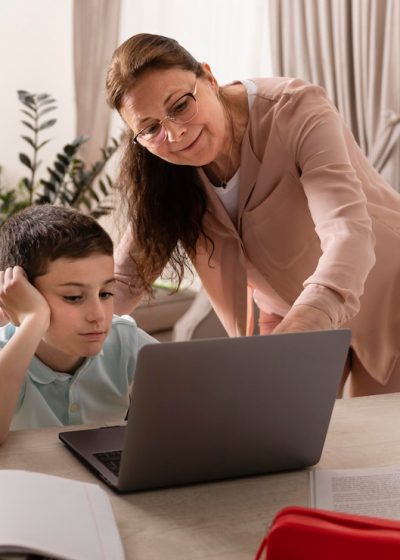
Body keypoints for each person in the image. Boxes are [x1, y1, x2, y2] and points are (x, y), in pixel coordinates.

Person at [105, 32, 400, 397]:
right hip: (290, 316)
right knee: (279, 442)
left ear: (209, 78)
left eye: (180, 105)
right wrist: (39, 330)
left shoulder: (295, 110)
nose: (176, 133)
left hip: (385, 300)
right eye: (150, 128)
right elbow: (124, 280)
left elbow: (348, 233)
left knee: (368, 444)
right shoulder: (163, 172)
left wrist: (301, 325)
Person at [0, 204, 156, 444]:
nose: (98, 315)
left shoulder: (125, 339)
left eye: (105, 294)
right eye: (73, 297)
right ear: (21, 296)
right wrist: (33, 321)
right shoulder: (6, 351)